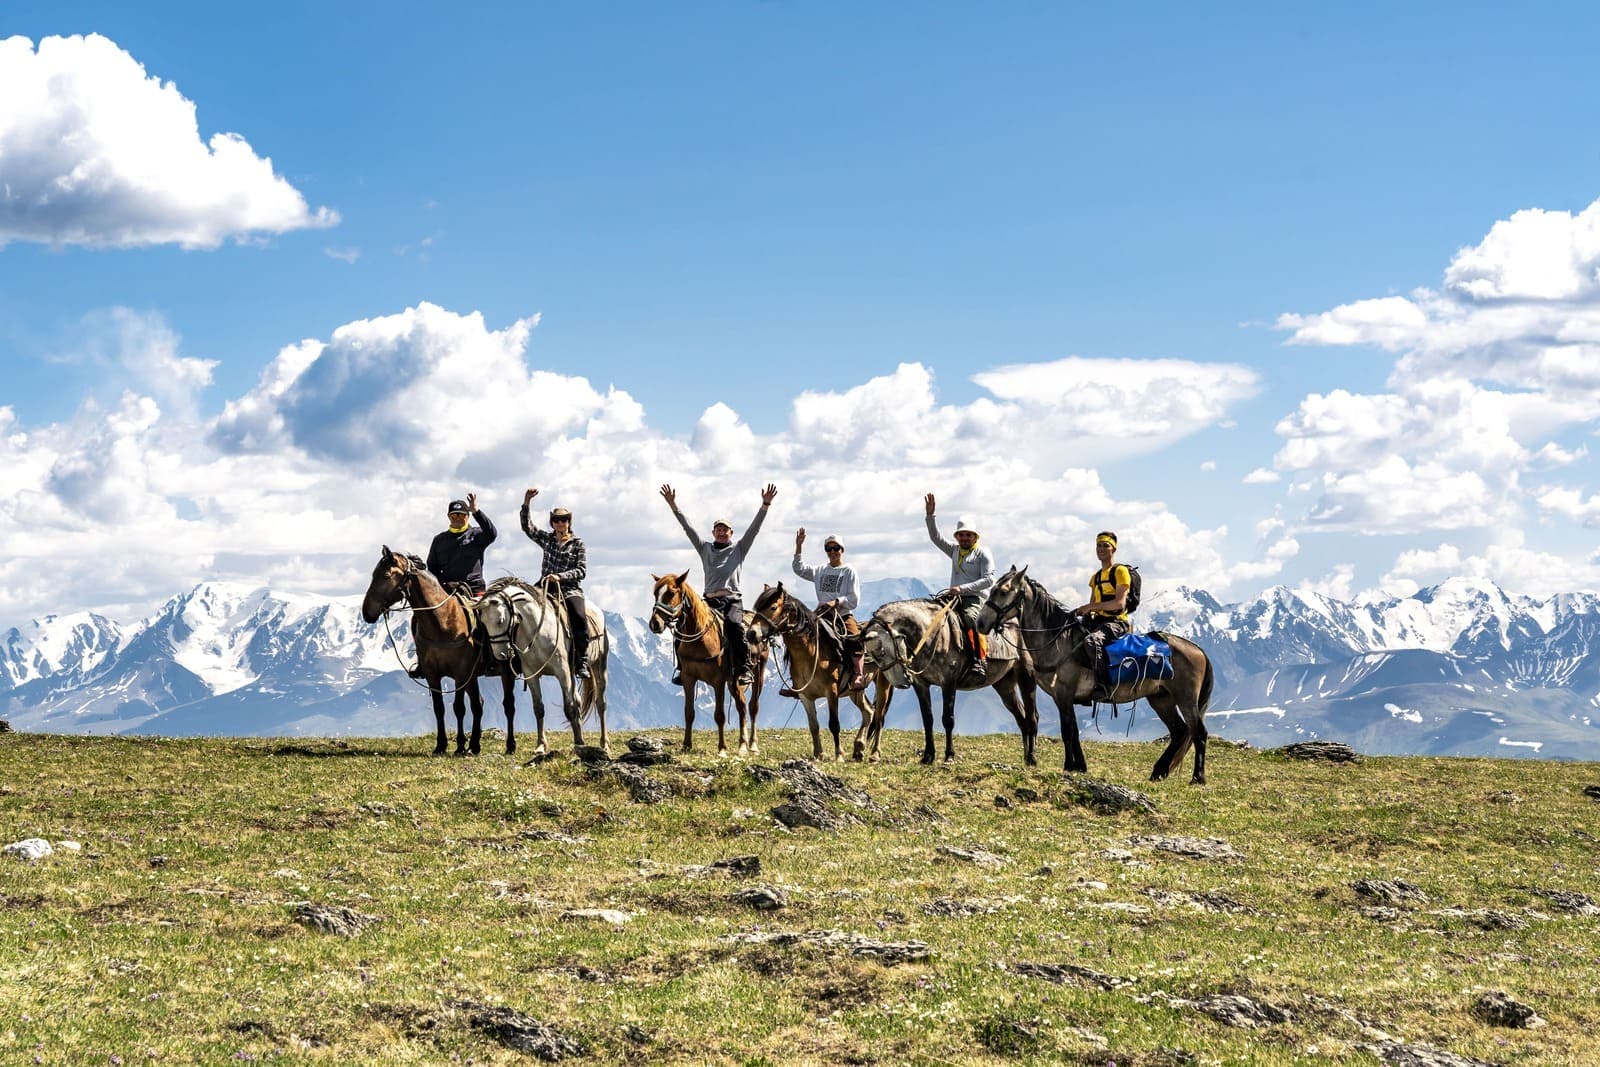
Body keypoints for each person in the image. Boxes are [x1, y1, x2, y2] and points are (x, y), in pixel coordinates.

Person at [659, 482, 777, 687]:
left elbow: (754, 530)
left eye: (725, 530)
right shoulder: (705, 549)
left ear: (731, 533)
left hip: (732, 601)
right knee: (682, 624)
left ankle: (744, 668)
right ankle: (682, 667)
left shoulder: (739, 549)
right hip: (709, 601)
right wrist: (673, 505)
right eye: (718, 530)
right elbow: (688, 529)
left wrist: (765, 505)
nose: (722, 533)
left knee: (736, 628)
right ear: (713, 532)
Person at [520, 488, 591, 680]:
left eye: (564, 520)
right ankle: (519, 655)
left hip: (569, 588)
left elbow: (581, 570)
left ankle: (582, 660)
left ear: (569, 522)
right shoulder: (547, 539)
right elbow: (527, 527)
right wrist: (527, 502)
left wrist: (561, 577)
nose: (561, 523)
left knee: (579, 617)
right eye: (557, 520)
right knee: (520, 608)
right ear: (552, 523)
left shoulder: (578, 544)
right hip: (544, 586)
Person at [923, 493, 995, 678]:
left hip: (975, 598)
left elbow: (989, 580)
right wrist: (930, 516)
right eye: (961, 535)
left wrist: (962, 589)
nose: (964, 538)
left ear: (975, 537)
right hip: (954, 597)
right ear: (957, 537)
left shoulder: (983, 553)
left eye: (968, 535)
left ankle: (980, 659)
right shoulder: (954, 550)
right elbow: (936, 538)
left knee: (971, 618)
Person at [790, 528, 866, 693]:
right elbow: (798, 568)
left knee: (854, 638)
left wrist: (837, 602)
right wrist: (798, 546)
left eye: (835, 548)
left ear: (842, 550)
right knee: (798, 637)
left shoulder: (849, 571)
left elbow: (854, 599)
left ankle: (858, 674)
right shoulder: (820, 571)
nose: (832, 552)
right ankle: (798, 680)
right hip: (821, 615)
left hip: (842, 615)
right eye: (829, 549)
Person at [1071, 531, 1133, 699]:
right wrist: (1083, 612)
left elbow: (1119, 604)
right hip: (1098, 621)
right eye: (1098, 545)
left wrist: (1091, 606)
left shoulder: (1120, 571)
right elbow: (1092, 605)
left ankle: (1104, 686)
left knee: (1092, 641)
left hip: (1117, 622)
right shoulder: (1095, 577)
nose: (1101, 549)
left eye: (1106, 545)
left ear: (1114, 549)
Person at [426, 493, 497, 595]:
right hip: (449, 592)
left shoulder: (476, 534)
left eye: (462, 515)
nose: (458, 518)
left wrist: (476, 512)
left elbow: (491, 534)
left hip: (475, 590)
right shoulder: (439, 540)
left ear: (468, 516)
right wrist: (444, 584)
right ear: (449, 517)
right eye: (454, 515)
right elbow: (432, 567)